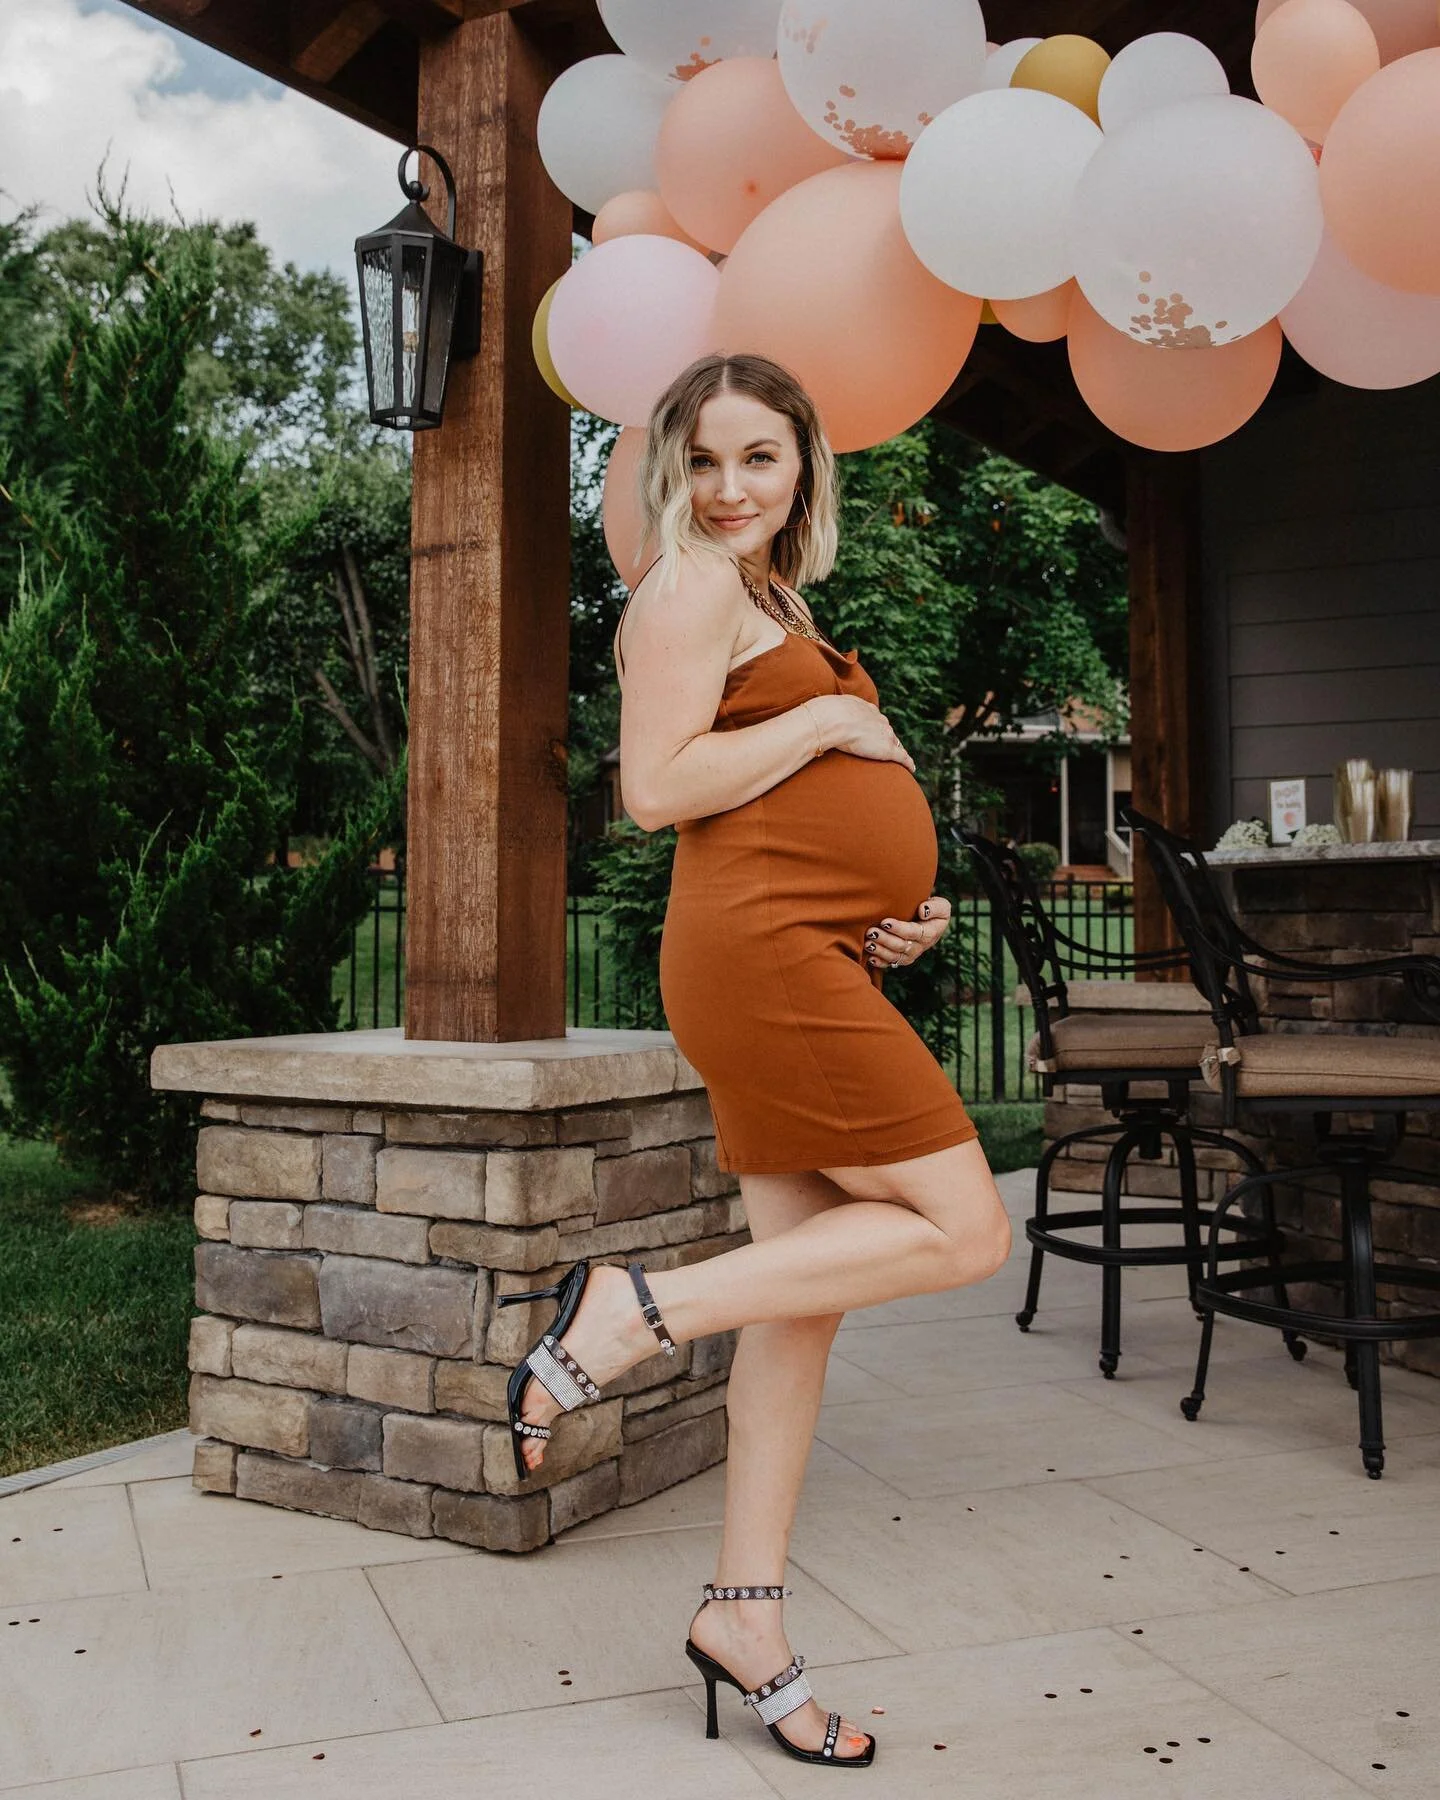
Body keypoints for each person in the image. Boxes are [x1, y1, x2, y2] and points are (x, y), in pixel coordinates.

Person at [503, 353, 1011, 1769]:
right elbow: (655, 788)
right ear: (673, 469)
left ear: (804, 469)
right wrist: (834, 721)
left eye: (761, 459)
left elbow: (844, 789)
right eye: (707, 460)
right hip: (765, 964)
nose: (731, 489)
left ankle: (745, 1616)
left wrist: (914, 903)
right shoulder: (688, 588)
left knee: (805, 1306)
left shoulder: (774, 595)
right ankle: (625, 1310)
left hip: (821, 950)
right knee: (966, 1230)